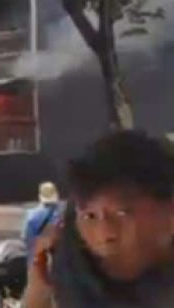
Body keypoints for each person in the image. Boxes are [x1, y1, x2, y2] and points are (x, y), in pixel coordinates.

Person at [24, 131, 174, 308]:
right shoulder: (70, 268)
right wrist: (39, 290)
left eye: (122, 213)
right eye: (90, 216)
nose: (104, 234)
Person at [22, 181, 62, 263]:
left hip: (38, 259)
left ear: (40, 197)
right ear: (56, 195)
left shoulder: (31, 215)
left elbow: (25, 237)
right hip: (58, 260)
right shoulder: (61, 215)